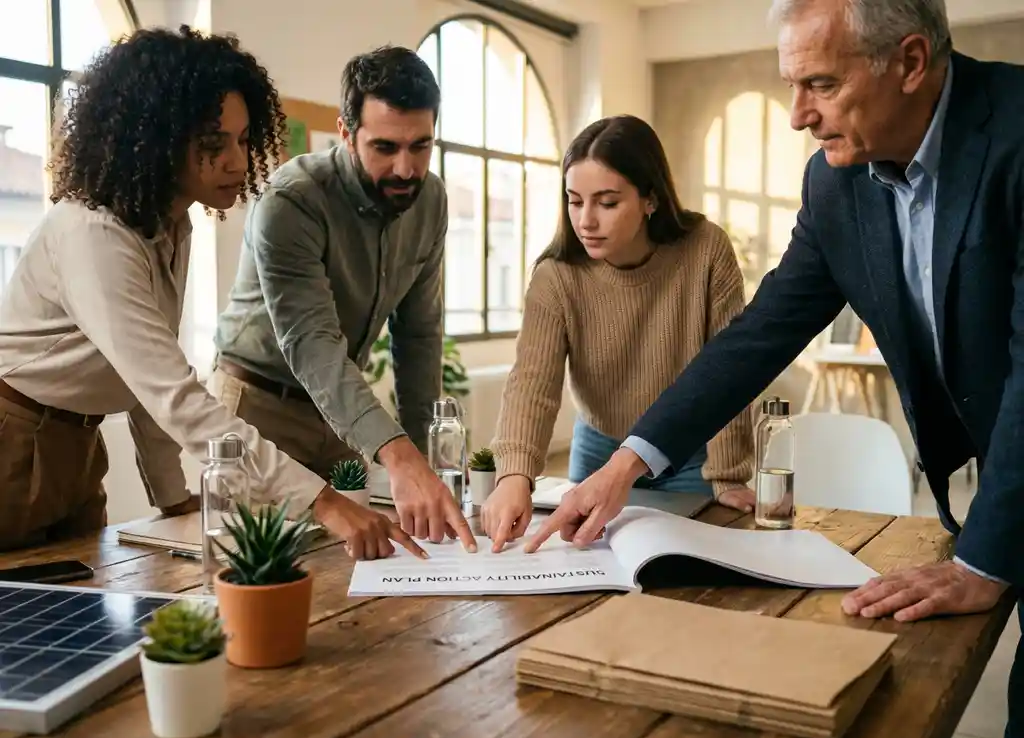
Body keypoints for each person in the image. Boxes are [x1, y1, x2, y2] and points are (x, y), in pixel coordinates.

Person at [525, 0, 1024, 738]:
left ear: (912, 62)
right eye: (792, 86)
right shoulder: (837, 183)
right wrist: (627, 462)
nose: (798, 116)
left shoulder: (1017, 133)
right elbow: (754, 338)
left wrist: (983, 560)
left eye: (819, 84)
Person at [0, 25, 426, 562]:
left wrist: (173, 502)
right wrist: (325, 504)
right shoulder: (93, 232)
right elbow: (172, 396)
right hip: (13, 439)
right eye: (211, 145)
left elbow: (147, 382)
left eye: (244, 140)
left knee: (79, 610)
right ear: (155, 139)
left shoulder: (171, 225)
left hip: (78, 446)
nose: (236, 162)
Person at [209, 45, 474, 551]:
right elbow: (312, 343)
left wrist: (420, 459)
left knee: (360, 567)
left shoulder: (430, 200)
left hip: (337, 415)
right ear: (347, 134)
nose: (405, 168)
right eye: (385, 147)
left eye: (421, 146)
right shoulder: (291, 202)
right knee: (256, 574)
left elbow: (418, 335)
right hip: (258, 409)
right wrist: (397, 457)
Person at [481, 115, 756, 552]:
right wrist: (514, 476)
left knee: (682, 579)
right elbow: (531, 384)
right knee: (592, 572)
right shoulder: (556, 276)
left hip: (690, 456)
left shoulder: (706, 250)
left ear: (650, 199)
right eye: (574, 201)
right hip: (599, 450)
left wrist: (727, 475)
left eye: (606, 203)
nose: (586, 220)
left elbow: (730, 365)